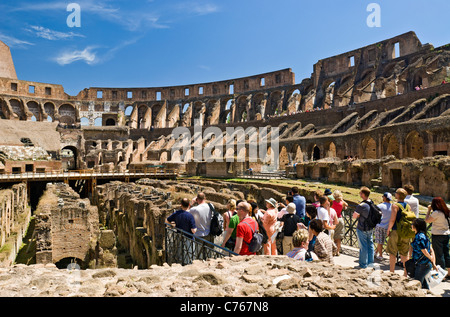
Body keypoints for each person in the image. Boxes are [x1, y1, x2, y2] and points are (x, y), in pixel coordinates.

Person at [386, 188, 411, 276]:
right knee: (404, 253)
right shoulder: (408, 206)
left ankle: (391, 272)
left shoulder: (395, 205)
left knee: (392, 252)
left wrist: (388, 229)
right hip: (406, 232)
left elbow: (392, 219)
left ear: (398, 195)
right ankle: (405, 273)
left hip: (396, 231)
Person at [425, 197, 450, 279]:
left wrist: (429, 210)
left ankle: (441, 274)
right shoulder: (447, 211)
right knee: (446, 253)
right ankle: (449, 272)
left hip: (437, 235)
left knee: (439, 255)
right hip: (446, 234)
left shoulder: (436, 213)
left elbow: (427, 220)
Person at [410, 218, 437, 289]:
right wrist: (433, 262)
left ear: (417, 226)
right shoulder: (422, 235)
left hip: (422, 265)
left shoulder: (419, 237)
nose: (411, 225)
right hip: (425, 264)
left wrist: (431, 259)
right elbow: (431, 250)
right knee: (424, 286)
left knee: (417, 285)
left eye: (412, 224)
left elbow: (424, 250)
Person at [352, 187, 375, 269]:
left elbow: (354, 216)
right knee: (370, 245)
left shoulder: (361, 205)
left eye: (360, 193)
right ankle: (370, 263)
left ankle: (363, 264)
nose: (359, 194)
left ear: (363, 194)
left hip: (362, 227)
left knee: (363, 246)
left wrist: (359, 214)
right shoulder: (372, 203)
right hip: (370, 227)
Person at [374, 192, 393, 260]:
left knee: (379, 241)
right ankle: (376, 252)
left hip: (379, 225)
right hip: (387, 226)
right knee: (381, 241)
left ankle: (381, 255)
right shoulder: (392, 206)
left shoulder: (380, 206)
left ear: (384, 198)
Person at [332, 190, 347, 256]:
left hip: (333, 219)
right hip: (340, 219)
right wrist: (342, 200)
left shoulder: (332, 202)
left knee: (332, 236)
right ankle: (337, 251)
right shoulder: (342, 202)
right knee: (338, 237)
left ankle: (332, 251)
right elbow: (347, 205)